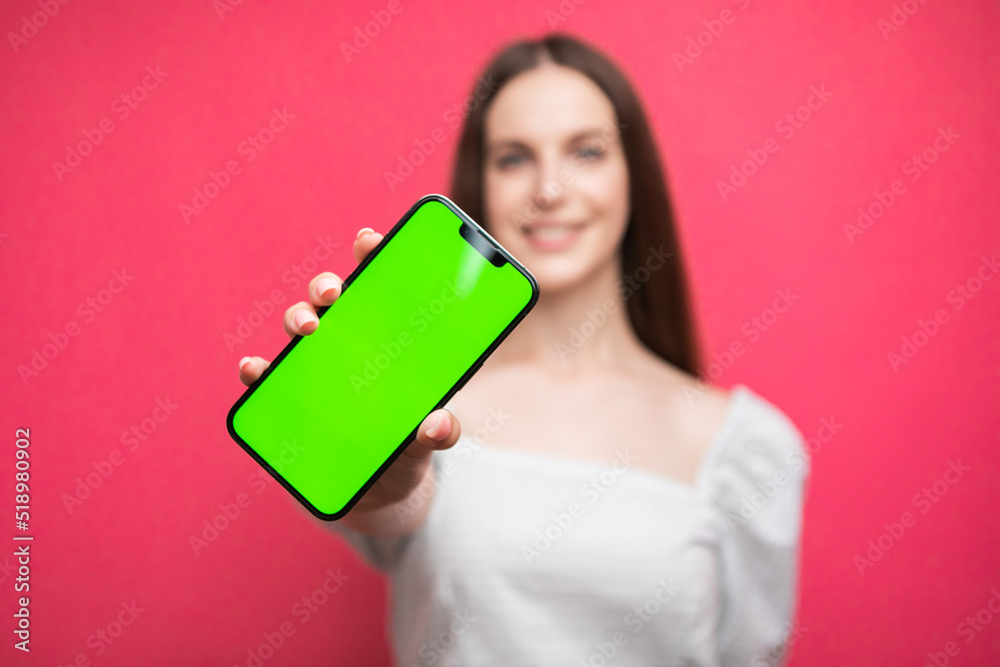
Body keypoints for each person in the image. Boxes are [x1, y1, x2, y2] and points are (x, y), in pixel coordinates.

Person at [238, 33, 809, 667]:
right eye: (513, 158)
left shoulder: (749, 444)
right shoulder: (424, 410)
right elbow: (392, 508)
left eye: (585, 151)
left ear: (633, 177)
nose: (548, 189)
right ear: (479, 185)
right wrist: (381, 470)